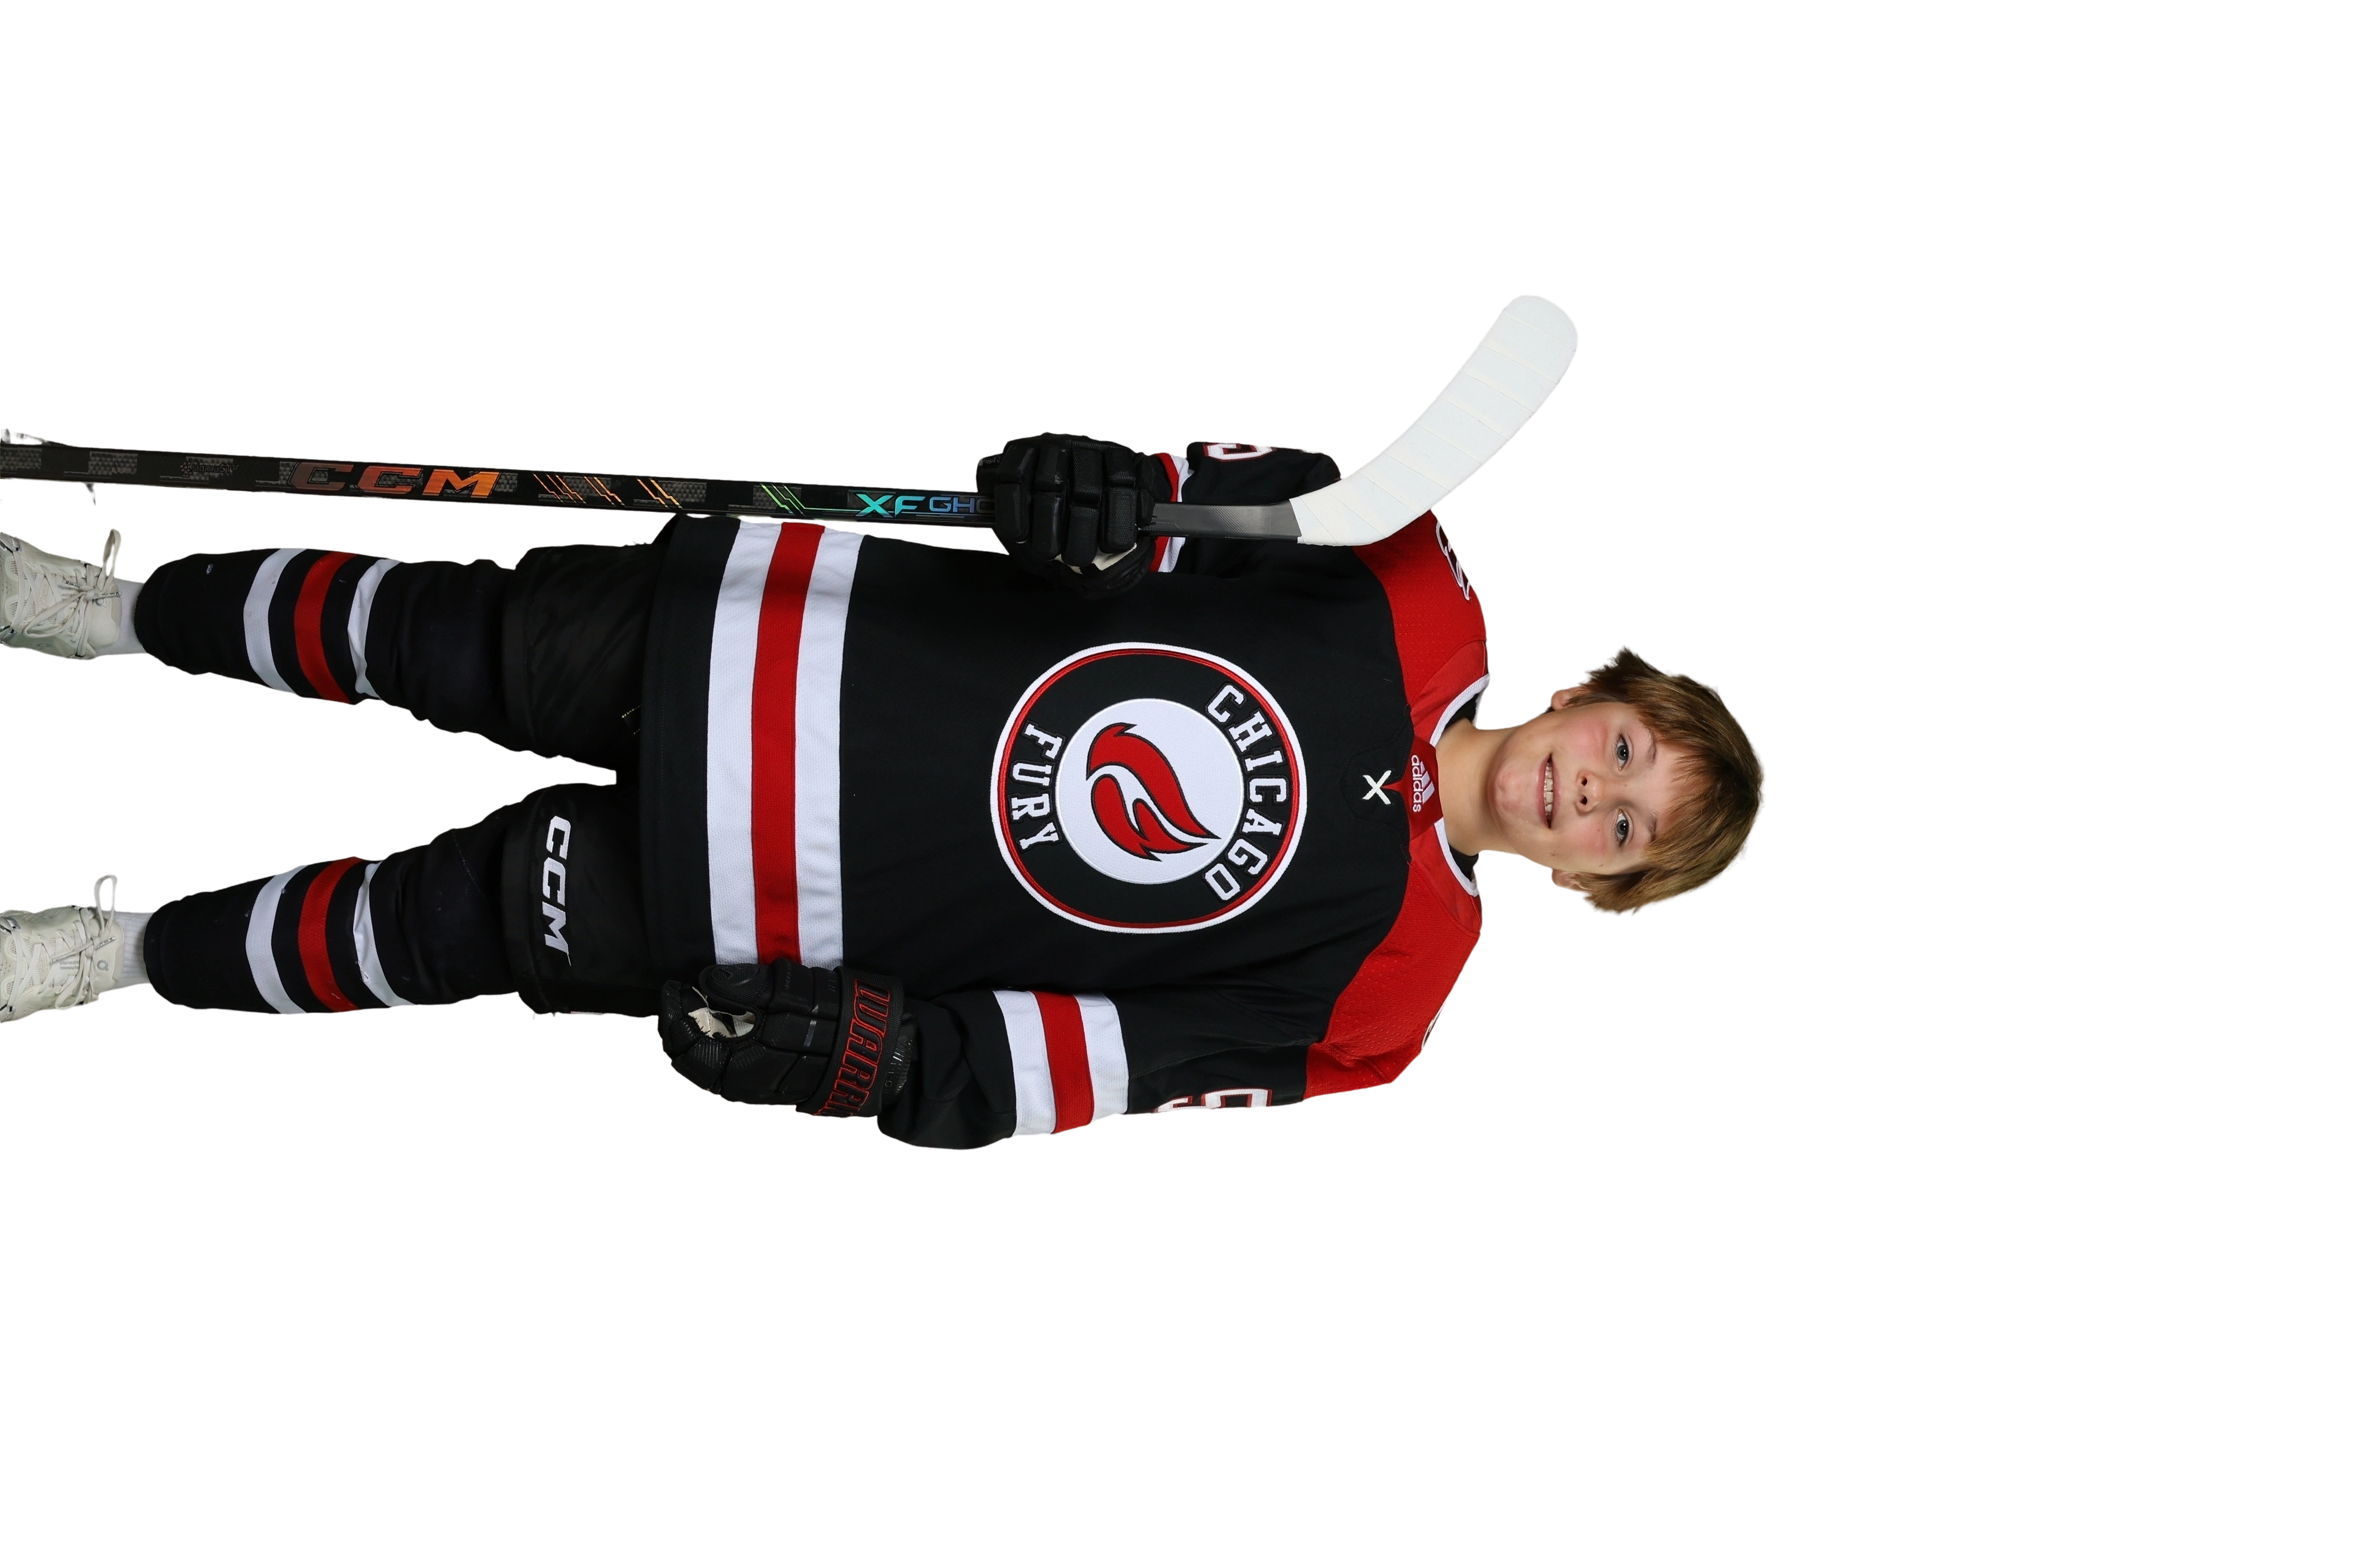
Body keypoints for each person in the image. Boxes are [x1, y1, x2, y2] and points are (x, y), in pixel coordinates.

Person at [0, 435, 1768, 1150]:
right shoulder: (1403, 573)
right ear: (1594, 694)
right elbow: (1172, 510)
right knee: (426, 634)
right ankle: (109, 614)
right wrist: (1084, 496)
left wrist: (885, 1067)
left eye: (1626, 832)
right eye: (1627, 751)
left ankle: (111, 956)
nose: (1589, 795)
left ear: (1597, 886)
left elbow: (1102, 1057)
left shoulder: (1386, 998)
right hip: (776, 639)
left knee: (421, 933)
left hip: (767, 897)